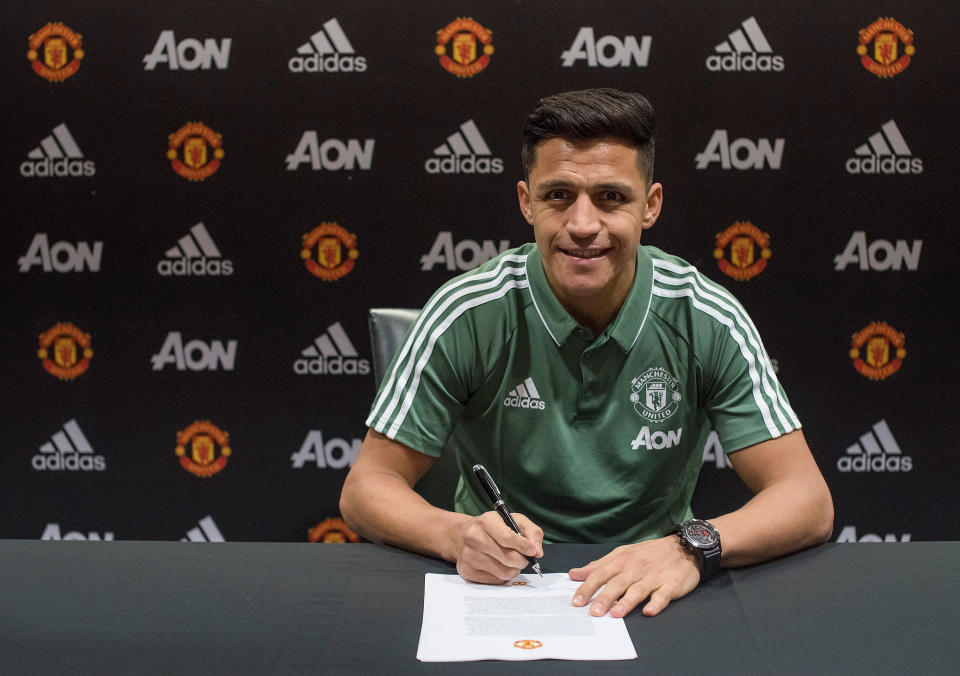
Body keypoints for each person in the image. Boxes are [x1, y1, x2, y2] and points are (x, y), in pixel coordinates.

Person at [340, 88, 833, 618]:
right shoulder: (468, 310)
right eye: (558, 196)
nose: (582, 224)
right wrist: (456, 534)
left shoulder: (706, 316)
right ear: (527, 201)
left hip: (650, 583)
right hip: (498, 583)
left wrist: (690, 546)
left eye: (611, 197)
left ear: (650, 205)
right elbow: (367, 486)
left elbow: (807, 498)